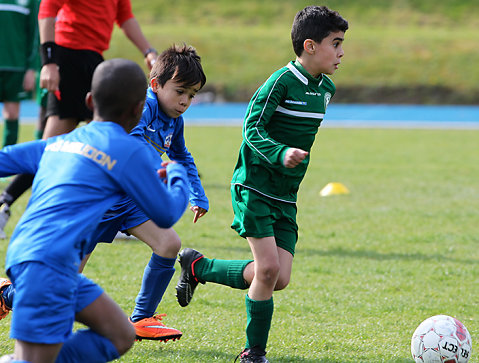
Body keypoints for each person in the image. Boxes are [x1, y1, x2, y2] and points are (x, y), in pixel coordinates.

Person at [0, 44, 209, 342]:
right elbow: (135, 150)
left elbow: (181, 155)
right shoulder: (135, 117)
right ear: (147, 95)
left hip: (127, 200)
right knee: (60, 283)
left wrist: (196, 194)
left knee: (168, 243)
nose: (186, 101)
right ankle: (8, 295)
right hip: (98, 205)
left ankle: (142, 318)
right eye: (180, 92)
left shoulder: (174, 120)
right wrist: (168, 171)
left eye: (192, 95)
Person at [174, 6, 348, 362]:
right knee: (267, 270)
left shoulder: (326, 89)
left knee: (278, 277)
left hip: (285, 195)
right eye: (336, 43)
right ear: (310, 46)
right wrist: (280, 153)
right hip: (253, 185)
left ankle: (198, 266)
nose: (342, 52)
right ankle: (253, 353)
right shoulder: (280, 83)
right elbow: (251, 129)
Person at [0, 0, 159, 238]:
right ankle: (12, 208)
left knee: (106, 144)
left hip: (93, 61)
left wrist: (148, 51)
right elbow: (47, 10)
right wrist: (49, 62)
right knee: (53, 146)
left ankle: (108, 217)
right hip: (66, 57)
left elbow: (124, 16)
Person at [0, 0, 38, 149]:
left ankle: (4, 162)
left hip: (17, 67)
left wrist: (30, 69)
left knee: (12, 115)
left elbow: (34, 35)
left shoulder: (30, 2)